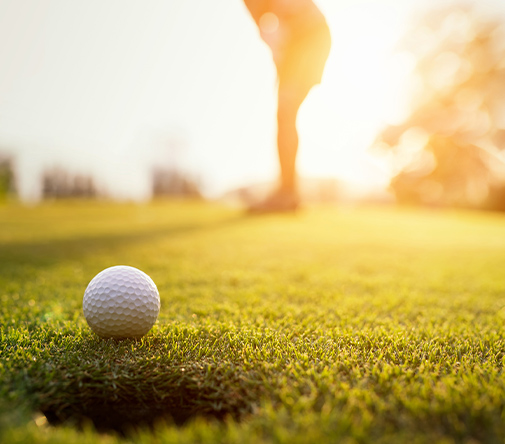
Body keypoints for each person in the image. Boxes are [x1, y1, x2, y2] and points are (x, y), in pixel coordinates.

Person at [243, 0, 331, 212]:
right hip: (298, 41)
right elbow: (269, 32)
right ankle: (287, 192)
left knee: (285, 111)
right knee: (285, 113)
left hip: (310, 36)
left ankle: (287, 193)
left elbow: (279, 18)